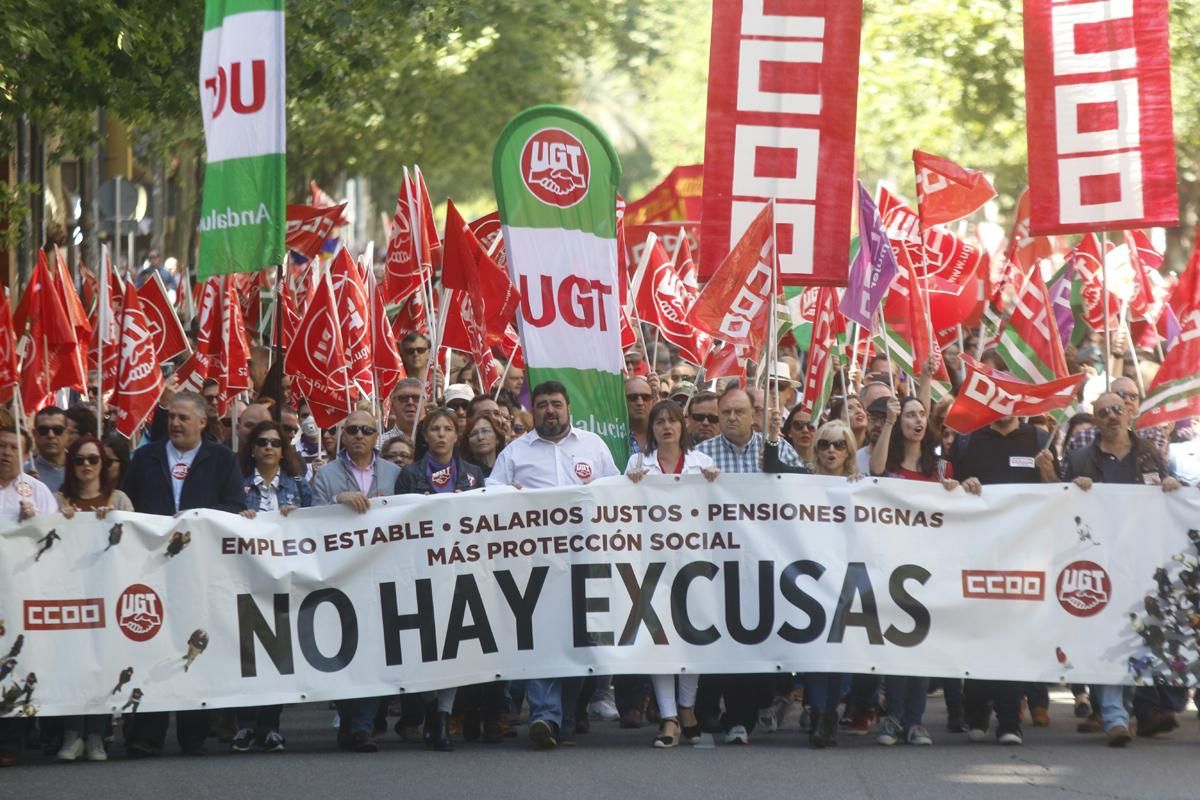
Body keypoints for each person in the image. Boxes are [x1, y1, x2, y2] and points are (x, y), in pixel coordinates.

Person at [488, 381, 619, 750]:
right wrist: (505, 495)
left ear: (568, 408)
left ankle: (563, 713)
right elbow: (489, 494)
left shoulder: (593, 446)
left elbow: (616, 495)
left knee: (577, 640)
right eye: (543, 405)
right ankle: (545, 715)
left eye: (556, 404)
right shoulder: (515, 453)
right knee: (542, 637)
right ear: (534, 411)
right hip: (536, 564)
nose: (550, 411)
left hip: (585, 562)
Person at [120, 391, 246, 757]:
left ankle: (194, 733)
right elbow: (127, 505)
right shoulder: (146, 457)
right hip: (150, 569)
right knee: (151, 645)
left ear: (202, 423)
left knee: (195, 645)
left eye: (183, 418)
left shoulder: (222, 460)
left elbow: (235, 507)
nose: (174, 423)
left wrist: (195, 520)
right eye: (171, 417)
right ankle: (147, 733)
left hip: (200, 570)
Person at [1064, 392, 1181, 747]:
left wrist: (1172, 487)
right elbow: (1063, 506)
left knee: (1140, 636)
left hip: (1144, 560)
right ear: (1096, 420)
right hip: (1102, 562)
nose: (1111, 416)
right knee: (1108, 635)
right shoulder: (1081, 458)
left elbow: (1167, 497)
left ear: (1128, 413)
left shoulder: (1149, 453)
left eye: (1116, 409)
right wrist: (1075, 488)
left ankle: (1131, 707)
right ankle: (1114, 717)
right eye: (1103, 412)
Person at [693, 388, 803, 745]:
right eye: (725, 413)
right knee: (735, 641)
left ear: (754, 415)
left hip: (769, 561)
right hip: (721, 562)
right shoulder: (701, 456)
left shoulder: (776, 449)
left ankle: (760, 704)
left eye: (739, 412)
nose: (731, 419)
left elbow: (804, 490)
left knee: (763, 638)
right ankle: (738, 719)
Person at [952, 409, 1050, 747]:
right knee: (979, 633)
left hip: (1023, 555)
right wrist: (964, 486)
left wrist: (1049, 470)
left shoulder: (1037, 439)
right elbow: (952, 488)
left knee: (1013, 638)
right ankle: (977, 712)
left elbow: (1056, 493)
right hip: (977, 552)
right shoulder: (969, 441)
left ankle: (1010, 722)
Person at [625, 401, 718, 747]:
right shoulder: (637, 464)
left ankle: (687, 706)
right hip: (651, 564)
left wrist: (715, 483)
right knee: (658, 639)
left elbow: (718, 508)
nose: (666, 427)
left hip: (694, 562)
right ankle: (668, 717)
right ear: (651, 429)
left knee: (693, 634)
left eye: (672, 421)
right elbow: (622, 510)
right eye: (659, 422)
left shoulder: (703, 463)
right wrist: (629, 484)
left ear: (683, 426)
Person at [868, 396, 959, 747]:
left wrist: (959, 489)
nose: (917, 420)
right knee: (896, 642)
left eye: (922, 414)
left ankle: (915, 721)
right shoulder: (888, 465)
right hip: (892, 564)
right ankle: (892, 718)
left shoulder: (940, 469)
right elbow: (874, 472)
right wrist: (888, 424)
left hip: (928, 568)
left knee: (921, 644)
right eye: (910, 415)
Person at [311, 409, 402, 753]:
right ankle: (351, 719)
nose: (360, 435)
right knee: (344, 650)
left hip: (383, 574)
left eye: (367, 429)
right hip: (340, 574)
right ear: (343, 436)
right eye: (353, 430)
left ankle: (362, 725)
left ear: (377, 436)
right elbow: (309, 519)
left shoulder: (395, 473)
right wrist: (337, 501)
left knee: (374, 650)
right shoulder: (326, 475)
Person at [395, 408, 485, 750]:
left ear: (455, 435)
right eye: (435, 429)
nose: (442, 435)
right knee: (426, 644)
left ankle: (443, 716)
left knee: (456, 645)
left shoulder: (474, 474)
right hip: (421, 569)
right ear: (425, 436)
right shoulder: (410, 475)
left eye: (448, 428)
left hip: (461, 570)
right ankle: (430, 706)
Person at [228, 420, 312, 754]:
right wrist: (238, 516)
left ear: (283, 449)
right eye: (261, 442)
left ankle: (270, 726)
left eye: (275, 443)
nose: (268, 448)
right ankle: (246, 725)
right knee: (248, 653)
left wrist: (299, 515)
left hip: (284, 579)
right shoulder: (238, 484)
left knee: (278, 653)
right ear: (252, 449)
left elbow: (316, 523)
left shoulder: (297, 484)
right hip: (246, 577)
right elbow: (224, 518)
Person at [53, 435, 134, 762]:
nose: (86, 466)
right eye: (79, 460)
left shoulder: (120, 500)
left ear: (103, 463)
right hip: (69, 595)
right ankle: (72, 734)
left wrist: (114, 523)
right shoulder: (57, 501)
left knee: (103, 664)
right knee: (72, 665)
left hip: (108, 594)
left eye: (93, 459)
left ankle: (97, 734)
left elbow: (133, 545)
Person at [804, 419, 863, 749]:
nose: (831, 450)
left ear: (849, 450)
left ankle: (830, 712)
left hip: (848, 577)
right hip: (812, 577)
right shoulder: (800, 484)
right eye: (825, 444)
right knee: (815, 650)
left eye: (839, 444)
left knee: (842, 651)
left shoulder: (860, 485)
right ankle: (818, 711)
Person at [28, 406, 68, 491]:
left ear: (67, 433)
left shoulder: (82, 467)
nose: (51, 435)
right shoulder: (22, 474)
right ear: (34, 434)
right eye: (43, 430)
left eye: (57, 430)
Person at [626, 376, 654, 453]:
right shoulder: (612, 437)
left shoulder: (662, 434)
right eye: (633, 398)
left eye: (646, 397)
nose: (640, 403)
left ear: (653, 401)